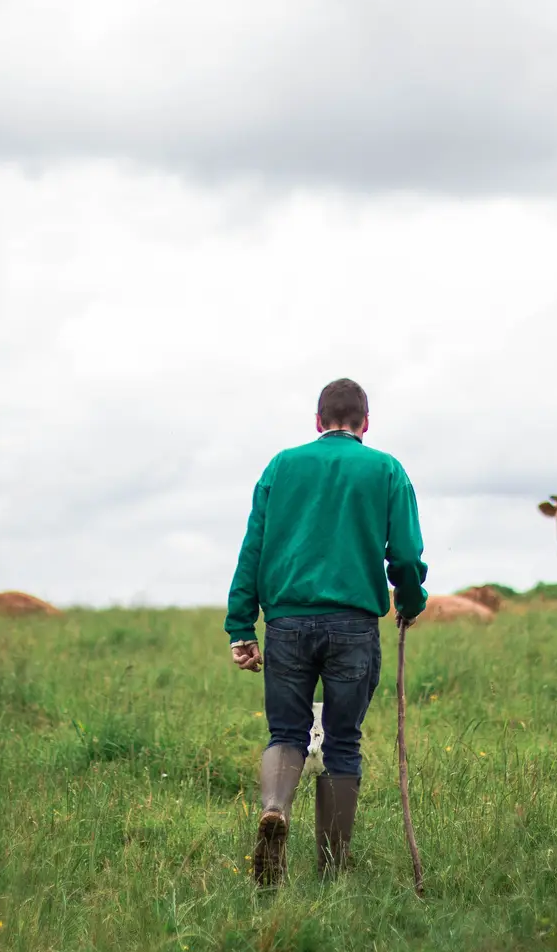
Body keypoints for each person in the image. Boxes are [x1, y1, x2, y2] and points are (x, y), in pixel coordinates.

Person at [225, 378, 428, 887]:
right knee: (343, 741)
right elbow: (403, 555)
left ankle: (275, 809)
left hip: (287, 622)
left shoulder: (280, 466)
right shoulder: (386, 469)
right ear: (365, 423)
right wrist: (410, 597)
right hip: (353, 624)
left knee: (286, 733)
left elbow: (254, 546)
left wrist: (240, 624)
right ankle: (332, 869)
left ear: (318, 421)